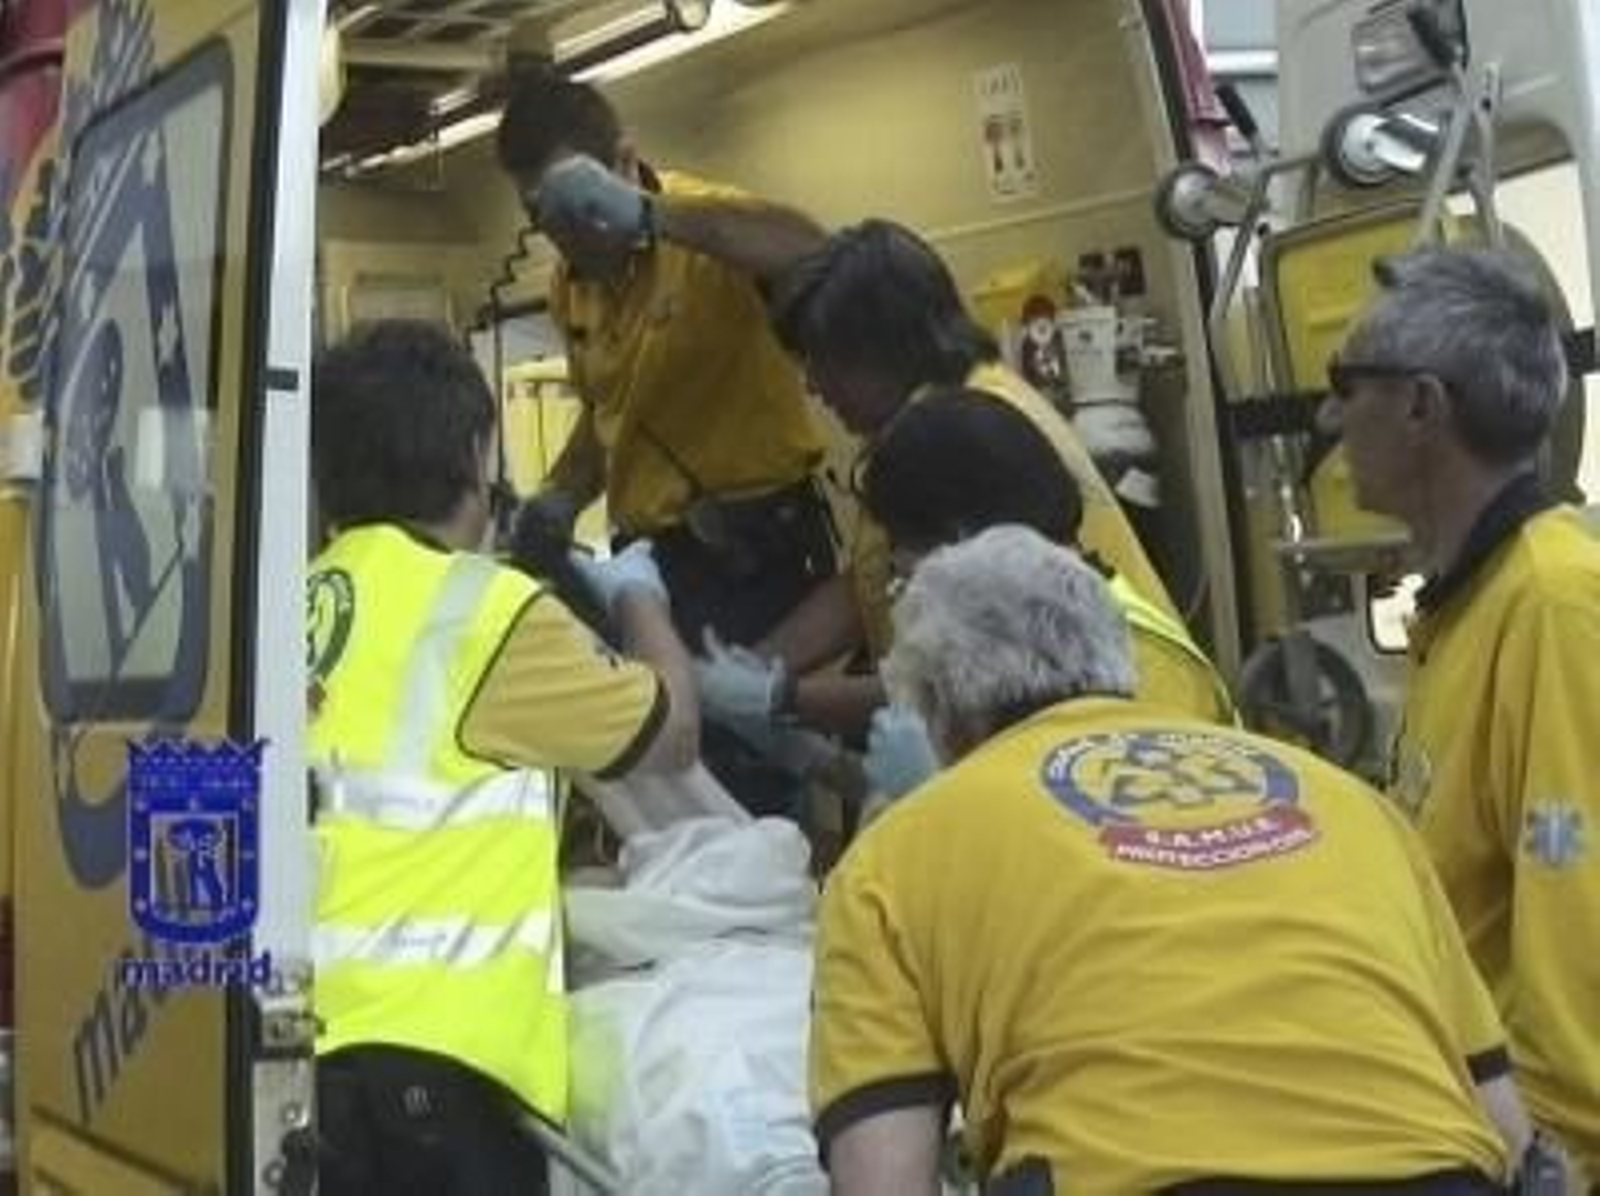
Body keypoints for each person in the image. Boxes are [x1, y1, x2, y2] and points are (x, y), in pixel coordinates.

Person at [810, 525, 1537, 1195]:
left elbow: (883, 1182)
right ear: (1120, 658)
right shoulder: (1350, 803)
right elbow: (1510, 1132)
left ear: (937, 712)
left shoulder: (891, 862)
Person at [307, 320, 698, 1195]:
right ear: (481, 454)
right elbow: (669, 735)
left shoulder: (285, 608)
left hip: (293, 1061)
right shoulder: (484, 614)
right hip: (438, 1076)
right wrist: (642, 601)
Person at [695, 219, 1182, 752]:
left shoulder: (965, 438)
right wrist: (744, 665)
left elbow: (967, 673)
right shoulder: (930, 416)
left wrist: (783, 697)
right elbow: (869, 584)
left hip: (1126, 734)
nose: (811, 386)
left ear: (881, 345)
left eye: (820, 360)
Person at [1325, 246, 1600, 1181]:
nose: (1328, 416)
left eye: (1343, 383)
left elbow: (1579, 919)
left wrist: (1549, 1162)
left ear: (1419, 406)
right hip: (1456, 1105)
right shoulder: (1463, 607)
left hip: (1527, 1140)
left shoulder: (1553, 607)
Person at [494, 68, 836, 649]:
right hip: (651, 557)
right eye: (543, 214)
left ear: (624, 162)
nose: (564, 234)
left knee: (766, 721)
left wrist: (651, 214)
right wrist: (559, 496)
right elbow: (612, 415)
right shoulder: (568, 287)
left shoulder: (709, 226)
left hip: (758, 546)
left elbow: (818, 253)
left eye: (577, 205)